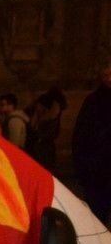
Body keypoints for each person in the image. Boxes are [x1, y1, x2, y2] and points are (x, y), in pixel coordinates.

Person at [73, 61, 111, 224]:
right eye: (106, 75)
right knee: (97, 218)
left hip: (99, 168)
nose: (109, 79)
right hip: (97, 171)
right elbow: (82, 136)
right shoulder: (93, 101)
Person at [28, 87, 67, 173]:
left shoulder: (48, 114)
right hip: (44, 142)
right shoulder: (54, 110)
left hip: (41, 143)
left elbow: (34, 126)